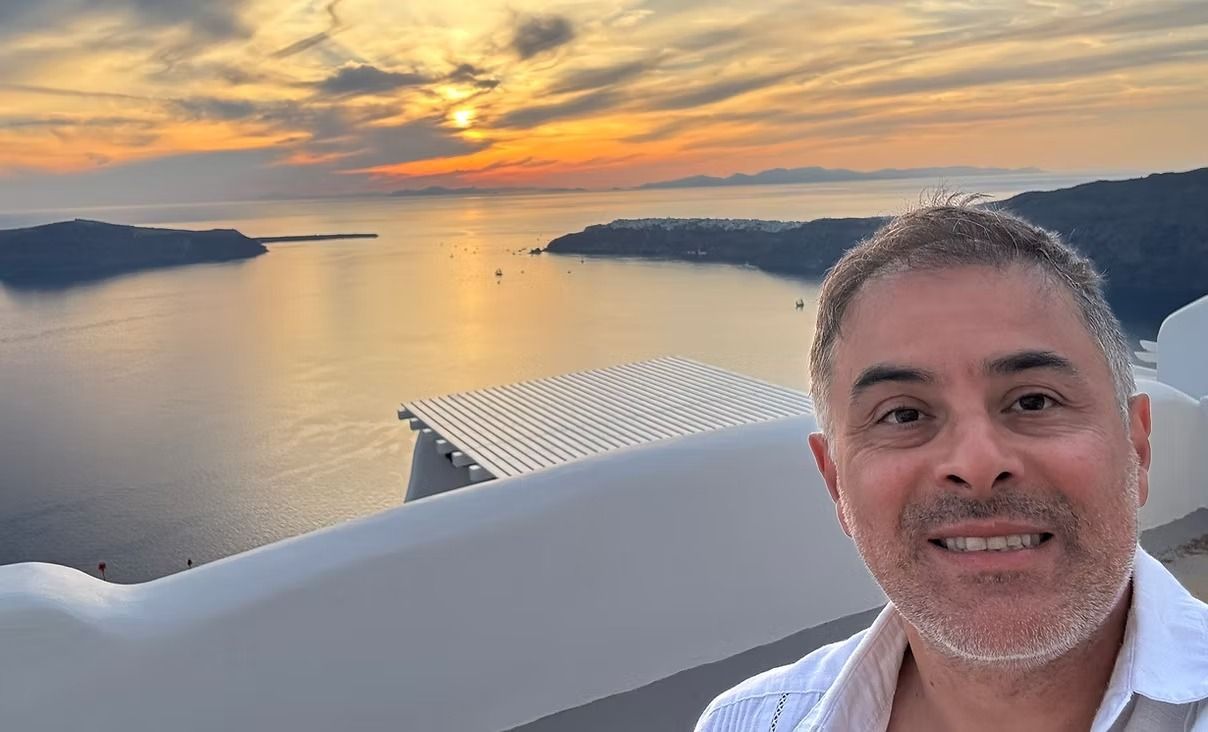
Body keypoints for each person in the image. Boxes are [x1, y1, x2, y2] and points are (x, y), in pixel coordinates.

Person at [695, 198, 1208, 731]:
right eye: (903, 414)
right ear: (835, 484)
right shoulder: (748, 721)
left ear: (1137, 445)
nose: (977, 462)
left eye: (1033, 401)